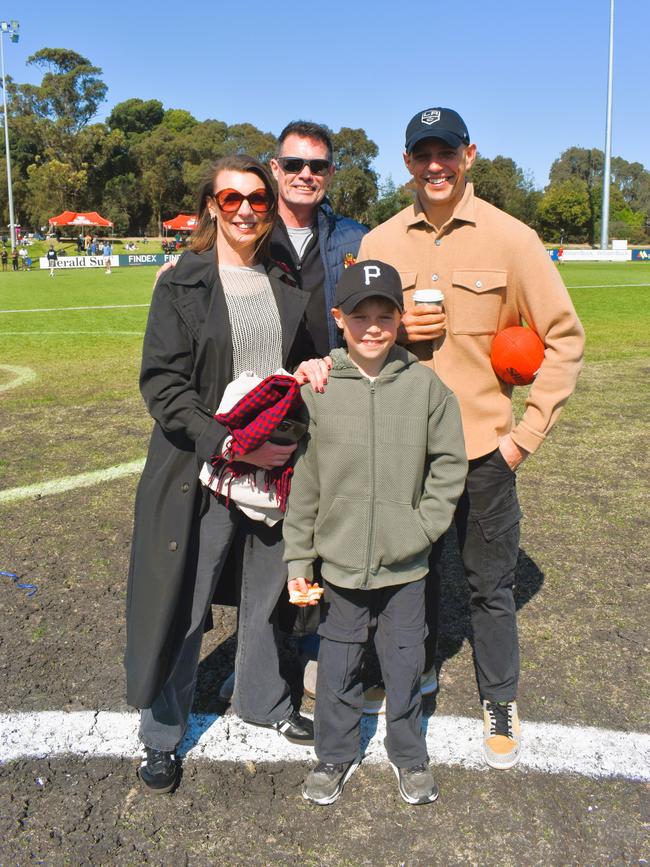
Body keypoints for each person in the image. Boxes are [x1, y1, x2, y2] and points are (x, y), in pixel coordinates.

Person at [357, 107, 585, 769]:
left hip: (486, 448)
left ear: (469, 155)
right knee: (407, 577)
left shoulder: (513, 239)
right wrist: (399, 333)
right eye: (423, 153)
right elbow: (358, 338)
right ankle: (417, 670)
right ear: (407, 162)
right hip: (405, 448)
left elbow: (565, 339)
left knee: (490, 585)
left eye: (447, 152)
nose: (435, 165)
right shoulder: (380, 242)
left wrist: (524, 436)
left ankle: (501, 698)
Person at [125, 154, 329, 795]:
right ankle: (162, 734)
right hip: (206, 470)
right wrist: (231, 444)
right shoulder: (182, 281)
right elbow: (162, 385)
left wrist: (313, 370)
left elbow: (293, 365)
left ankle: (265, 701)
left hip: (275, 473)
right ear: (212, 206)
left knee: (267, 594)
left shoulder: (284, 282)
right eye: (231, 198)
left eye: (257, 199)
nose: (245, 209)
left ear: (270, 207)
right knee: (185, 599)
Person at [283, 261, 467, 805]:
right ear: (338, 318)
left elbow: (449, 465)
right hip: (337, 567)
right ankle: (334, 754)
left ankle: (408, 754)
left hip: (406, 565)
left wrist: (422, 528)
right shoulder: (317, 390)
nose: (372, 326)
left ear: (399, 318)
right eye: (359, 315)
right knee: (337, 665)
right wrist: (300, 562)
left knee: (406, 660)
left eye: (384, 315)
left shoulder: (426, 387)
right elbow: (305, 485)